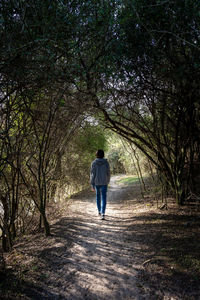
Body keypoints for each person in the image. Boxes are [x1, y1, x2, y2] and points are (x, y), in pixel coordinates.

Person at [90, 149, 110, 220]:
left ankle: (99, 211)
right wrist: (107, 181)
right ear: (103, 155)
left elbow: (92, 174)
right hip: (104, 183)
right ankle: (103, 213)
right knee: (104, 198)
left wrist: (92, 184)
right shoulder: (106, 162)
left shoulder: (94, 163)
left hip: (96, 183)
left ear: (97, 155)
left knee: (98, 197)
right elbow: (108, 173)